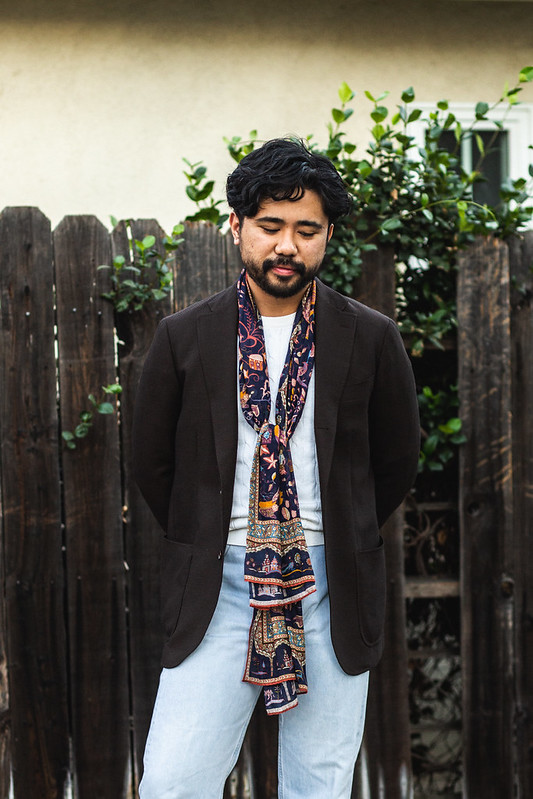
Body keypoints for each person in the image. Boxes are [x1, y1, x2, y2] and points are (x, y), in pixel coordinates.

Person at [132, 138, 420, 799]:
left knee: (319, 785)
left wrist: (339, 530)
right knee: (173, 783)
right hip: (218, 585)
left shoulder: (370, 336)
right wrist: (208, 534)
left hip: (330, 584)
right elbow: (153, 464)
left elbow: (395, 459)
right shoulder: (185, 337)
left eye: (306, 230)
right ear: (236, 226)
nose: (286, 245)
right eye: (270, 225)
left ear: (327, 237)